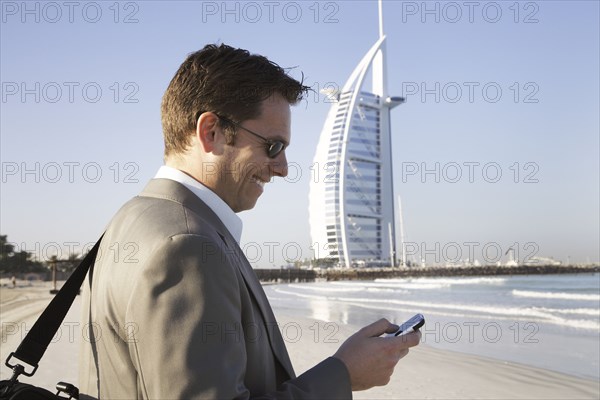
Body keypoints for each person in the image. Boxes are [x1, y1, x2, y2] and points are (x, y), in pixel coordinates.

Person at [79, 43, 420, 399]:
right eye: (273, 146)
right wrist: (343, 375)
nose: (284, 168)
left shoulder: (131, 219)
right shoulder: (188, 245)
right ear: (211, 132)